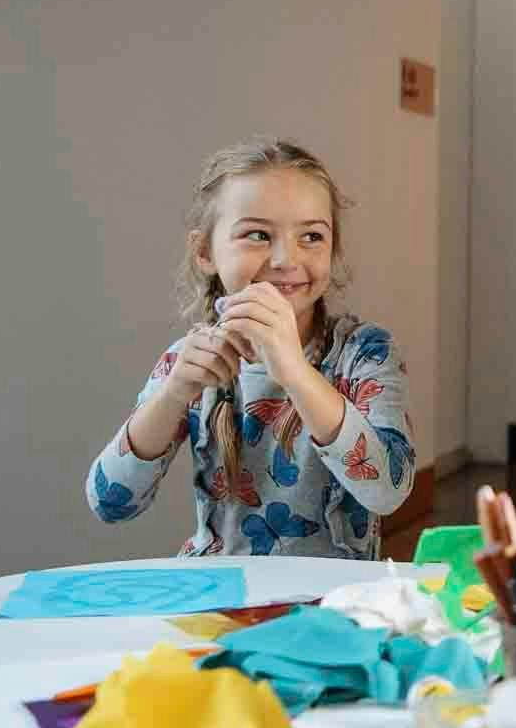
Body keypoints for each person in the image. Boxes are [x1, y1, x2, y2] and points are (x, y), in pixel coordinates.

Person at [85, 137, 415, 558]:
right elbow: (109, 504)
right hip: (220, 598)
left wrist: (295, 371)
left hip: (333, 604)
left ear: (333, 251)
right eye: (258, 234)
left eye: (311, 236)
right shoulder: (187, 361)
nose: (284, 259)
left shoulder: (365, 353)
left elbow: (387, 493)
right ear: (204, 251)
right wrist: (173, 395)